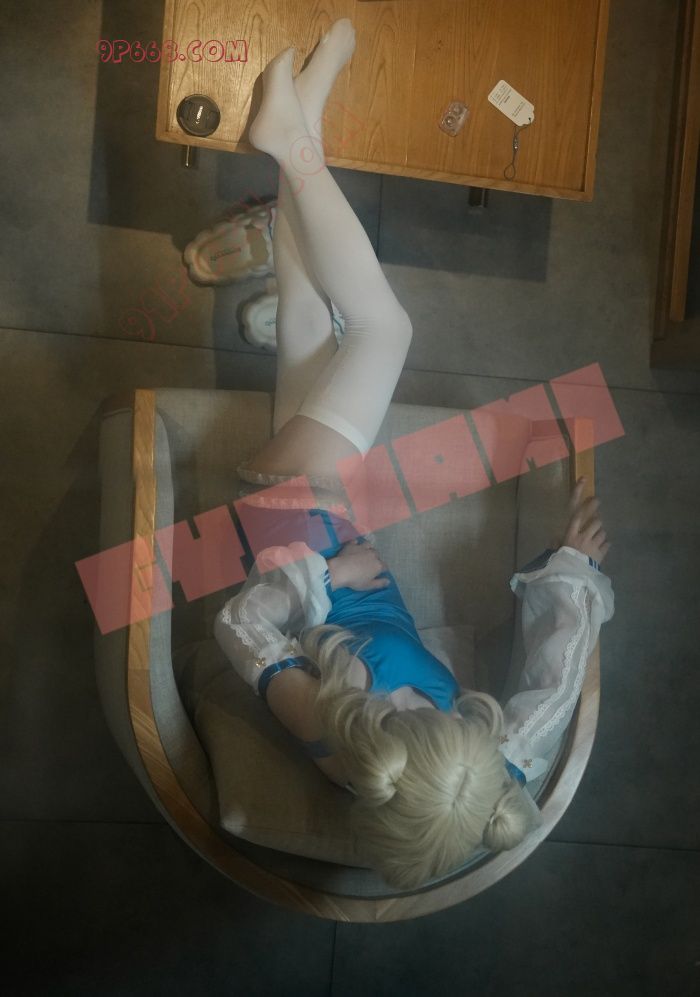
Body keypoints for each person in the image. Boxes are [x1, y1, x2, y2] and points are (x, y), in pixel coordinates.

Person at [213, 20, 615, 890]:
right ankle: (303, 122)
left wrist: (325, 581)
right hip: (339, 516)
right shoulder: (488, 771)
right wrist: (573, 572)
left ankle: (289, 142)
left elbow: (240, 627)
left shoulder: (325, 726)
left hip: (292, 523)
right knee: (310, 325)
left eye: (431, 719)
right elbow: (553, 685)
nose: (449, 710)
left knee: (385, 330)